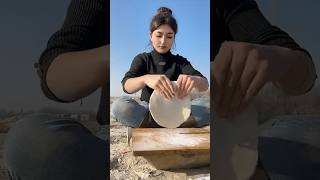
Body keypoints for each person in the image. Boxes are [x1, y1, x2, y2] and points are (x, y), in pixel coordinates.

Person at [213, 0, 319, 179]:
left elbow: (306, 73)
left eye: (168, 36)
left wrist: (282, 58)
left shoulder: (225, 7)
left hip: (239, 144)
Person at [3, 0, 109, 179]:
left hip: (171, 131)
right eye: (159, 34)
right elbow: (55, 77)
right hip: (112, 142)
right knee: (28, 140)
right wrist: (112, 57)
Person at [111, 7, 210, 128]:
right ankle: (171, 123)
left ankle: (163, 123)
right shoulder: (143, 59)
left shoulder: (180, 62)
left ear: (174, 37)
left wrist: (196, 80)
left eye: (169, 36)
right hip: (148, 110)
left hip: (178, 110)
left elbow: (205, 85)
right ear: (150, 35)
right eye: (159, 35)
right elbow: (127, 86)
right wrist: (145, 79)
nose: (163, 41)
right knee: (119, 106)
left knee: (211, 104)